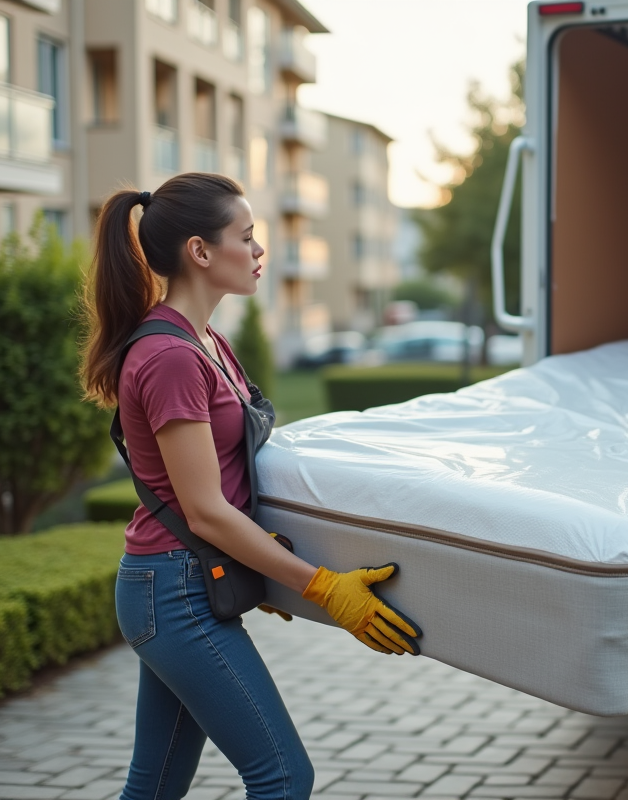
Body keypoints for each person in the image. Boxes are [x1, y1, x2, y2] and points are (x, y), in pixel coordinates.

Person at [81, 173, 422, 800]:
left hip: (179, 584)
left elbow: (233, 478)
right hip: (177, 592)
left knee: (153, 788)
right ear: (200, 251)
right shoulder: (172, 357)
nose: (260, 250)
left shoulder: (206, 341)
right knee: (283, 778)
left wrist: (262, 556)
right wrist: (323, 588)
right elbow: (206, 512)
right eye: (246, 236)